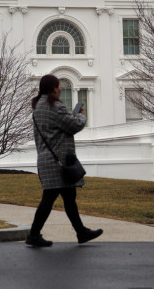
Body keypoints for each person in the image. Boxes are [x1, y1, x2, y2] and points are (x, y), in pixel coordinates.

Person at [26, 74, 103, 247]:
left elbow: (59, 126)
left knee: (68, 197)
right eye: (59, 85)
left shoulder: (38, 106)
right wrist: (81, 116)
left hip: (46, 160)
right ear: (53, 88)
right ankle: (33, 235)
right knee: (49, 199)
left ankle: (81, 232)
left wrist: (71, 116)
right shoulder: (55, 106)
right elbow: (74, 125)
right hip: (58, 162)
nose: (60, 88)